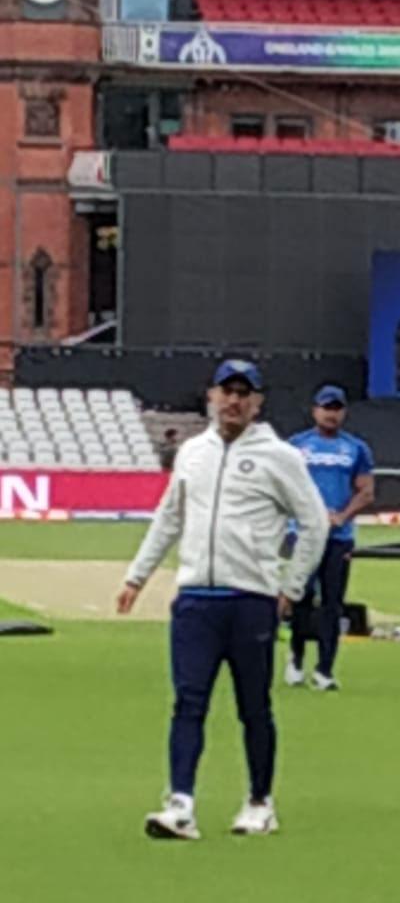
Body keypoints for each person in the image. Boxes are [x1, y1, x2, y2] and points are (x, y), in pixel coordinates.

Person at [116, 360, 329, 840]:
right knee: (188, 702)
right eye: (226, 392)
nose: (233, 401)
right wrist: (137, 576)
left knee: (253, 705)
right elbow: (170, 517)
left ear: (257, 402)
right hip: (196, 597)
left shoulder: (279, 457)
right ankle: (181, 803)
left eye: (243, 393)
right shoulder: (193, 452)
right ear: (211, 396)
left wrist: (291, 587)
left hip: (250, 598)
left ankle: (260, 801)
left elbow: (314, 521)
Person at [286, 385, 376, 691]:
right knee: (299, 599)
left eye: (336, 408)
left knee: (332, 604)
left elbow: (366, 492)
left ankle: (324, 669)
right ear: (315, 410)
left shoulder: (355, 448)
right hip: (303, 535)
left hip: (339, 537)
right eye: (326, 408)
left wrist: (342, 516)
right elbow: (283, 486)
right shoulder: (297, 445)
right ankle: (295, 660)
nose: (331, 414)